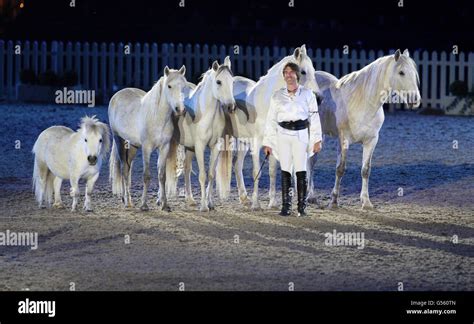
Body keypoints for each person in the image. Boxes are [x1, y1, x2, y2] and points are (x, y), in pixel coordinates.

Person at [262, 62, 322, 216]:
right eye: (286, 72)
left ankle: (302, 207)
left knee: (301, 170)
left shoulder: (308, 94)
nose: (288, 75)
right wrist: (268, 143)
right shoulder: (277, 96)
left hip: (301, 134)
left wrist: (317, 139)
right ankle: (286, 206)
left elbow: (314, 118)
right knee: (286, 170)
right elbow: (271, 120)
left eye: (291, 72)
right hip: (283, 134)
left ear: (297, 75)